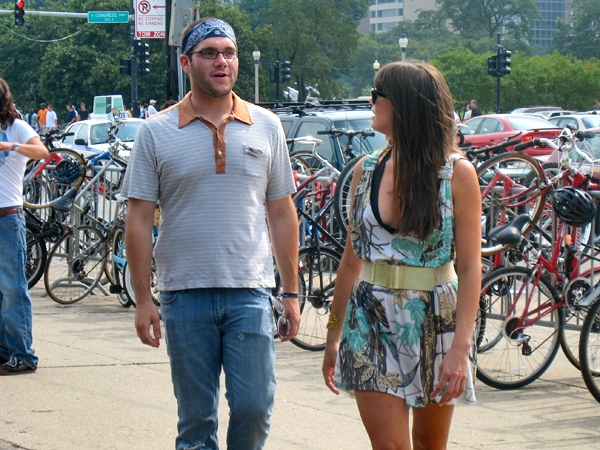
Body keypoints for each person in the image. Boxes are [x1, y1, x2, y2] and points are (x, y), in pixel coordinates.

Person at [121, 17, 300, 449]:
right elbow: (139, 219)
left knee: (255, 408)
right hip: (184, 296)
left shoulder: (266, 125)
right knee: (197, 422)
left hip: (250, 293)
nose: (222, 61)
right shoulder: (156, 132)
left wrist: (291, 292)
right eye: (209, 54)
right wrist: (143, 298)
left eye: (229, 53)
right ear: (186, 62)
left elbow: (281, 213)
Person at [322, 61, 481, 449]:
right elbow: (350, 261)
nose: (370, 102)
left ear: (404, 104)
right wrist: (332, 335)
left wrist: (460, 348)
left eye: (377, 95)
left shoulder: (456, 174)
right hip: (369, 318)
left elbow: (470, 266)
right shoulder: (365, 170)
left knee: (429, 444)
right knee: (389, 446)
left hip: (435, 318)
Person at [0, 78, 48, 375]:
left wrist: (11, 146)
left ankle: (23, 354)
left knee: (13, 288)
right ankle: (4, 351)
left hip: (7, 216)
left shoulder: (15, 127)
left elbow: (42, 152)